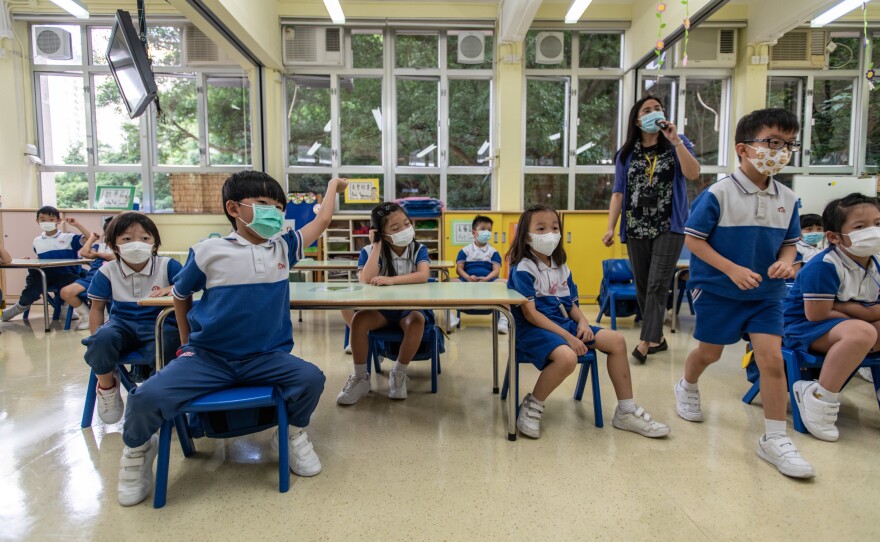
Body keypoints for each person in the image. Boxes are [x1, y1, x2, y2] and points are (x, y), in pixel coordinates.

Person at [115, 172, 346, 507]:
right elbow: (180, 294)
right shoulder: (209, 251)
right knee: (145, 396)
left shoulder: (284, 247)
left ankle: (291, 433)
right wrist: (185, 341)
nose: (274, 213)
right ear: (233, 208)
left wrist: (331, 187)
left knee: (311, 379)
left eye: (279, 208)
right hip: (209, 356)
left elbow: (322, 219)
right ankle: (138, 448)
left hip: (265, 357)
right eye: (265, 204)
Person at [674, 108, 814, 478]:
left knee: (770, 359)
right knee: (710, 352)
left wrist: (787, 262)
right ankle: (687, 385)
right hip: (719, 290)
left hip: (766, 295)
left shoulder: (788, 197)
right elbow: (694, 241)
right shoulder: (718, 193)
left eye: (788, 144)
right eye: (772, 142)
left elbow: (790, 245)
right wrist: (732, 269)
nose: (781, 151)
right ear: (743, 148)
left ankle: (773, 437)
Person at [508, 204, 669, 439]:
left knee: (616, 340)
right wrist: (568, 337)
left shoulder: (562, 267)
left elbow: (571, 304)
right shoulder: (524, 268)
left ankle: (626, 410)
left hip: (564, 325)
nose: (550, 234)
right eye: (541, 229)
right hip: (532, 328)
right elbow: (531, 314)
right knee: (567, 357)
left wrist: (583, 323)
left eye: (554, 228)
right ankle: (533, 405)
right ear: (526, 235)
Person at [603, 96, 701, 363]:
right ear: (637, 119)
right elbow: (618, 192)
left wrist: (676, 140)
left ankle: (645, 342)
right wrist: (610, 227)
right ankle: (657, 338)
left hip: (669, 225)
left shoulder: (677, 143)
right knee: (644, 286)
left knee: (658, 284)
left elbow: (693, 173)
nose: (653, 112)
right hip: (635, 226)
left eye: (657, 108)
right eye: (647, 110)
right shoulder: (626, 153)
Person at [783, 193, 880, 441]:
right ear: (834, 237)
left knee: (865, 331)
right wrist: (866, 313)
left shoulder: (877, 263)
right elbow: (817, 313)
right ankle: (819, 398)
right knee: (864, 333)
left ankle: (815, 388)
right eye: (860, 227)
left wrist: (853, 308)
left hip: (843, 324)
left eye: (877, 224)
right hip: (804, 328)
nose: (873, 231)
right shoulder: (824, 264)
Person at [81, 213, 181, 425]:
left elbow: (190, 287)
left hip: (157, 324)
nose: (137, 244)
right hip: (121, 324)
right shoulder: (107, 271)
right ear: (114, 246)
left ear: (154, 244)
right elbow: (97, 309)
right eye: (127, 239)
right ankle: (107, 387)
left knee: (169, 341)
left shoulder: (168, 265)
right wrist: (98, 339)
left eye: (145, 238)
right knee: (100, 340)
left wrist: (172, 287)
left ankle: (155, 395)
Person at [336, 202, 433, 405]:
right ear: (381, 233)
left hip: (408, 309)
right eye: (395, 228)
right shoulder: (369, 250)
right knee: (360, 319)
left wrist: (391, 280)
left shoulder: (418, 249)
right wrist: (377, 245)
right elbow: (366, 279)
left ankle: (398, 373)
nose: (405, 230)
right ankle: (361, 377)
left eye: (406, 224)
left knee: (417, 321)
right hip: (381, 311)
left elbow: (423, 275)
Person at [1, 206, 91, 323]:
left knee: (74, 283)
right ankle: (18, 308)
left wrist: (77, 225)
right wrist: (28, 259)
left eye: (51, 219)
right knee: (31, 291)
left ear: (58, 221)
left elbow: (89, 238)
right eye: (43, 220)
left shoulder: (68, 238)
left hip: (65, 274)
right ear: (37, 221)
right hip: (44, 275)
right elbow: (41, 259)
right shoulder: (37, 241)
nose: (46, 222)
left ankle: (66, 307)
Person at [450, 215, 509, 333]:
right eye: (483, 229)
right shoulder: (465, 250)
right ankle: (450, 318)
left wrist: (487, 278)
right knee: (447, 283)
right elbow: (459, 269)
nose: (486, 232)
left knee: (508, 284)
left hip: (489, 280)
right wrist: (467, 277)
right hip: (467, 279)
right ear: (474, 232)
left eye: (489, 230)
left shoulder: (493, 252)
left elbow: (496, 270)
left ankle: (503, 320)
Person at [61, 216, 116, 330]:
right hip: (92, 277)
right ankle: (86, 315)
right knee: (66, 292)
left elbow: (116, 257)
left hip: (111, 279)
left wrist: (97, 255)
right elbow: (85, 253)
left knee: (101, 294)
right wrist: (91, 238)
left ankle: (105, 317)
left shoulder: (123, 246)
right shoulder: (99, 246)